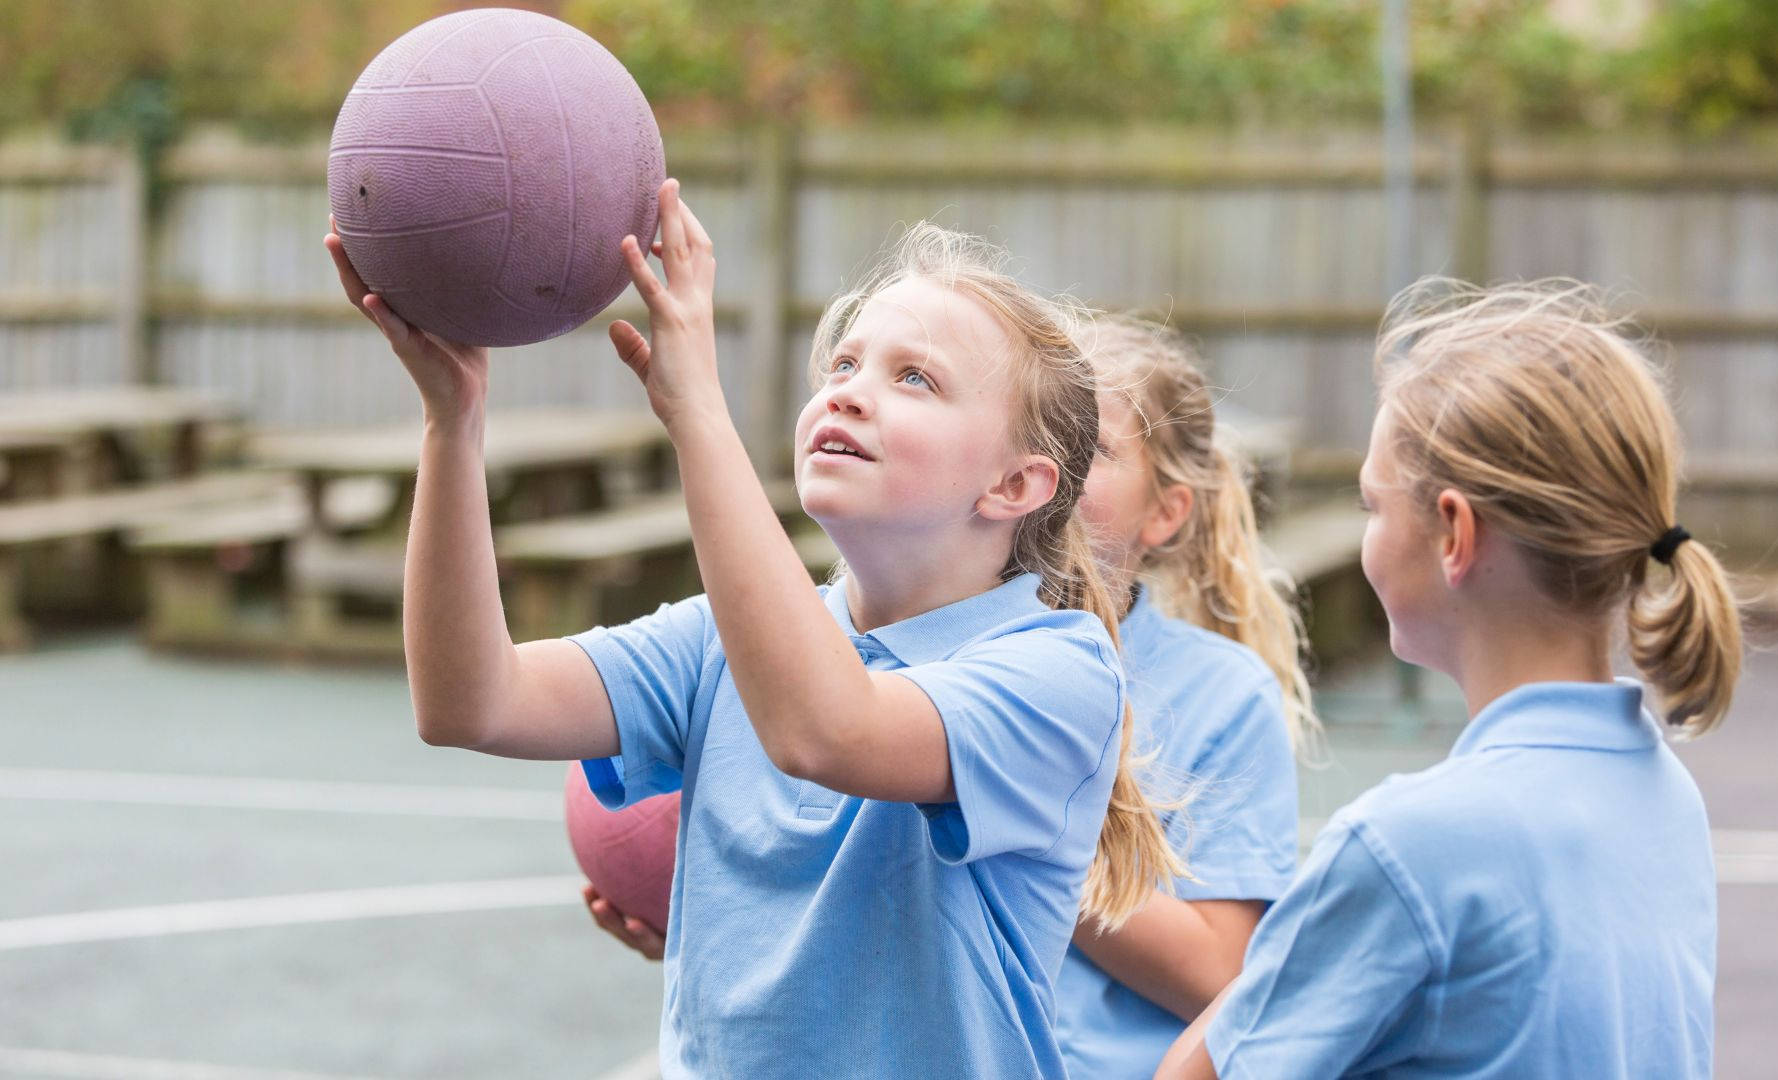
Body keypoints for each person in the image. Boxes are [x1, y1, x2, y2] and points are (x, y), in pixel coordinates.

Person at [324, 182, 1180, 1078]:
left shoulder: (1057, 671)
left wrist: (696, 408)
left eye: (914, 377)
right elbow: (471, 701)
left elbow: (825, 730)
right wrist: (451, 424)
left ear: (1015, 486)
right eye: (843, 366)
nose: (848, 394)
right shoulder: (719, 644)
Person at [1159, 279, 1742, 1080]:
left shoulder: (1408, 847)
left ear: (1455, 534)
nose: (1368, 532)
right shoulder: (1667, 796)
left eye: (1373, 504)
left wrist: (1305, 942)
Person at [1053, 314, 1320, 1079]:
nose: (1049, 457)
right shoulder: (922, 650)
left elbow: (1220, 968)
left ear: (1165, 513)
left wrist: (1017, 823)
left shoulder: (1222, 695)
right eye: (1031, 426)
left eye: (1090, 445)